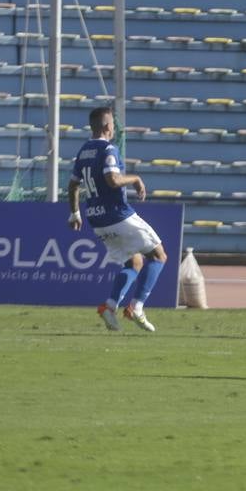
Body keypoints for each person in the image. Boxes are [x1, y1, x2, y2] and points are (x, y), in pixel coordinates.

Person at [67, 106, 169, 333]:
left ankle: (110, 306)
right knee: (159, 255)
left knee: (134, 262)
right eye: (112, 124)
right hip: (117, 214)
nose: (114, 128)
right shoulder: (109, 149)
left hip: (96, 218)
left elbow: (73, 185)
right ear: (106, 127)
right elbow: (112, 179)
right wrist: (135, 179)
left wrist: (75, 213)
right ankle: (136, 307)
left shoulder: (83, 151)